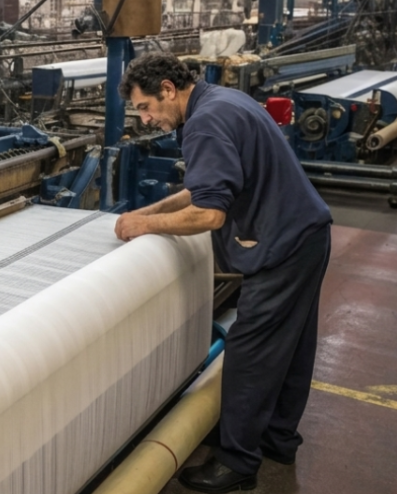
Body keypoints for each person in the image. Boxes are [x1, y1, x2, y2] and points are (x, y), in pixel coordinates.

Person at [113, 54, 332, 493]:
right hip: (308, 234)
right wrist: (151, 209)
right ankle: (278, 439)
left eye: (145, 107)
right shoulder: (220, 100)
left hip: (282, 247)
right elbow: (209, 184)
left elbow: (210, 213)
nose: (145, 119)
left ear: (169, 90)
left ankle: (237, 463)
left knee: (250, 356)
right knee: (290, 348)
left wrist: (146, 225)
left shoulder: (204, 124)